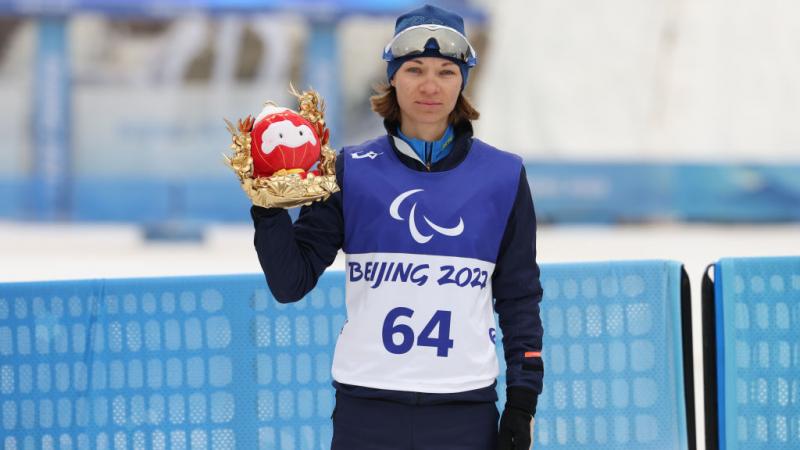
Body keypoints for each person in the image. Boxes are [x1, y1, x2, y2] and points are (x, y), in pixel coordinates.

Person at [250, 4, 543, 449]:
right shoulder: (350, 171)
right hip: (367, 410)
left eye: (446, 71)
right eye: (415, 69)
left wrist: (522, 404)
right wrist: (267, 207)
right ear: (392, 76)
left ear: (463, 79)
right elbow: (290, 282)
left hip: (463, 410)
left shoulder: (502, 176)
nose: (430, 85)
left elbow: (519, 297)